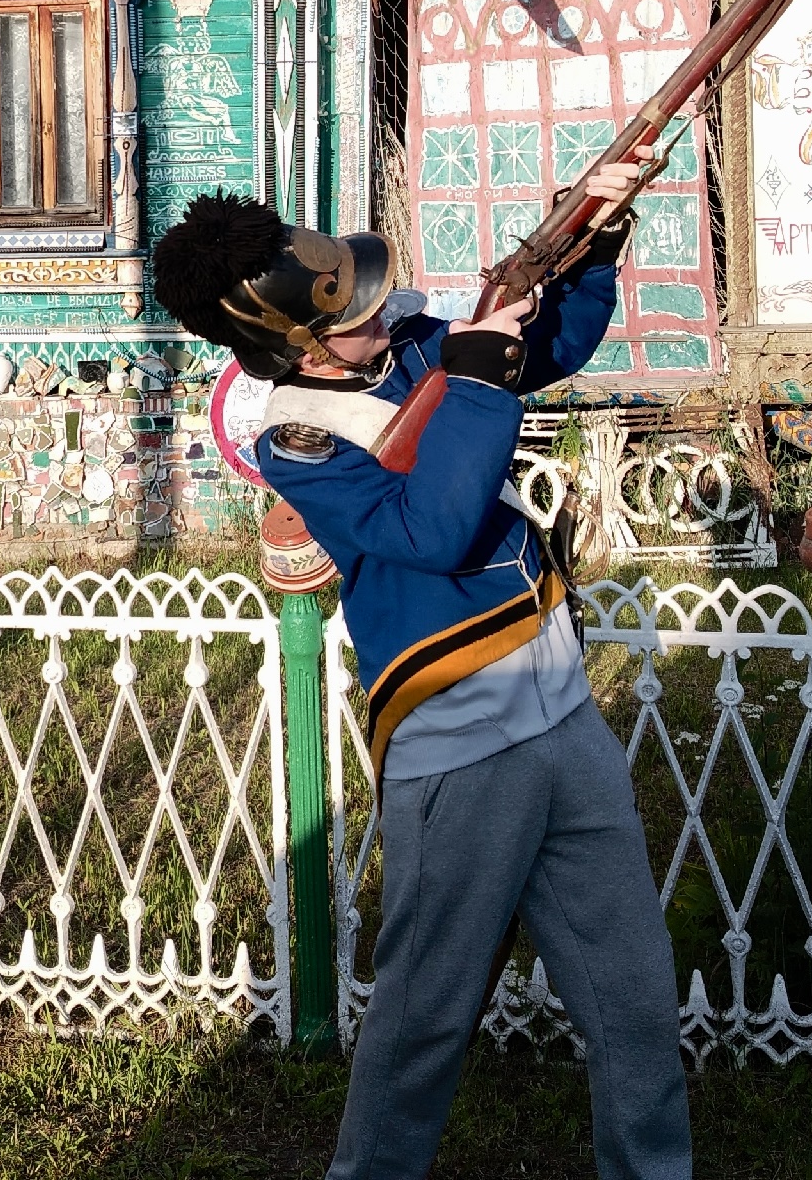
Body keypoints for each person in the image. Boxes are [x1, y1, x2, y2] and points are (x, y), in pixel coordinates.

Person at [153, 169, 691, 1180]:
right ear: (292, 343)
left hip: (561, 705)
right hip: (457, 742)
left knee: (633, 999)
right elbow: (434, 530)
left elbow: (550, 348)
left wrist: (595, 241)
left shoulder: (407, 349)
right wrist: (479, 378)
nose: (373, 312)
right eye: (346, 315)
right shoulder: (299, 441)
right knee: (422, 1022)